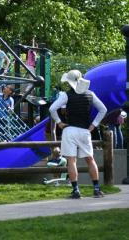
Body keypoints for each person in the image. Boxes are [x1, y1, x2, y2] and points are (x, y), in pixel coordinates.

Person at [49, 69, 107, 199]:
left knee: (71, 161)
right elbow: (103, 109)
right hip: (85, 131)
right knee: (90, 159)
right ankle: (96, 189)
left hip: (70, 130)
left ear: (69, 82)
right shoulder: (90, 94)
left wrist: (59, 122)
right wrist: (94, 125)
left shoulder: (66, 95)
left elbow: (52, 109)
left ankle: (76, 191)